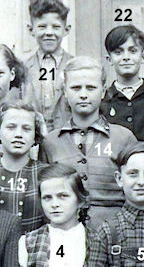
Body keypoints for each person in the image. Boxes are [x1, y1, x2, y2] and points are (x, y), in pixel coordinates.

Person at [40, 57, 135, 227]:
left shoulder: (123, 138)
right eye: (76, 88)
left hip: (116, 231)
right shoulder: (51, 142)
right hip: (67, 232)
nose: (83, 94)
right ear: (65, 91)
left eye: (91, 88)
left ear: (103, 91)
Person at [100, 24, 144, 142]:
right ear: (109, 59)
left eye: (132, 51)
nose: (126, 57)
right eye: (118, 52)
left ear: (143, 57)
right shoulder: (102, 101)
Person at [0, 100, 48, 233]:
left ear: (35, 136)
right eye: (11, 127)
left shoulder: (45, 174)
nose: (18, 134)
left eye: (26, 129)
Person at [22, 0, 73, 134]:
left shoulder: (75, 67)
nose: (49, 33)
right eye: (42, 27)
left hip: (67, 139)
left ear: (66, 30)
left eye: (56, 27)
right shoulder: (22, 68)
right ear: (31, 30)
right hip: (32, 139)